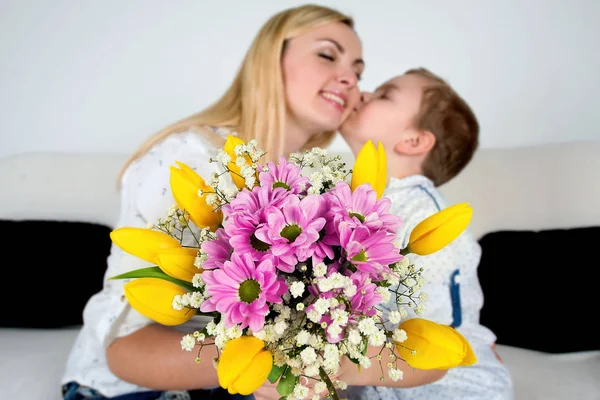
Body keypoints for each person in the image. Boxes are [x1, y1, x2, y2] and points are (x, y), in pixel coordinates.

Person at [60, 4, 367, 399]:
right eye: (327, 55)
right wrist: (276, 360)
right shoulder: (188, 161)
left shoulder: (319, 185)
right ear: (269, 59)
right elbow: (125, 350)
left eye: (359, 73)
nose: (350, 79)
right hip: (129, 387)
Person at [338, 67, 515, 399]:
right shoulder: (352, 195)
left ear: (414, 140)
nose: (362, 94)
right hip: (381, 377)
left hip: (450, 385)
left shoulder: (426, 217)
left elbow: (438, 332)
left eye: (384, 94)